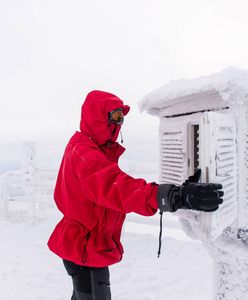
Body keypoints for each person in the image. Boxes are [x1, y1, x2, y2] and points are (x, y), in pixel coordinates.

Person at [47, 90, 224, 300]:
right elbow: (116, 187)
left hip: (86, 246)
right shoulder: (84, 152)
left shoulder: (88, 147)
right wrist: (174, 196)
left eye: (121, 117)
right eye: (114, 116)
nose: (119, 123)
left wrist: (175, 190)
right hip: (84, 247)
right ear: (96, 115)